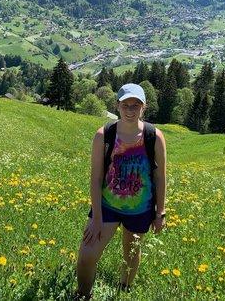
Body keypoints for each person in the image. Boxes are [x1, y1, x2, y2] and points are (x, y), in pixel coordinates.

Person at [75, 83, 167, 299]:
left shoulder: (154, 136)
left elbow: (160, 176)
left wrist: (160, 212)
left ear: (144, 108)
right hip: (107, 207)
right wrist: (97, 217)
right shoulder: (104, 135)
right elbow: (96, 177)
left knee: (131, 253)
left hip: (140, 209)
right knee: (87, 254)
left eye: (136, 105)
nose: (130, 110)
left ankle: (124, 289)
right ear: (117, 105)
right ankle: (82, 295)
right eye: (126, 104)